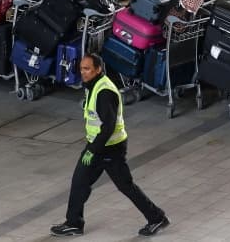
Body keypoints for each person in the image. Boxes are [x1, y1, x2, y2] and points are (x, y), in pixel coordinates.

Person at [51, 54, 170, 237]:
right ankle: (74, 223)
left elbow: (108, 127)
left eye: (87, 69)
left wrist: (92, 150)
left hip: (110, 149)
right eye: (82, 68)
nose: (83, 72)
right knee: (79, 182)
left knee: (125, 186)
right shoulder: (94, 86)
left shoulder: (104, 92)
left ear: (98, 69)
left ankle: (157, 218)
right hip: (98, 147)